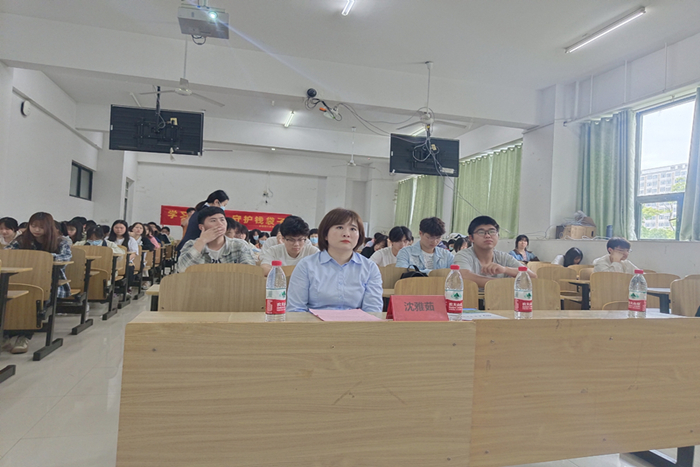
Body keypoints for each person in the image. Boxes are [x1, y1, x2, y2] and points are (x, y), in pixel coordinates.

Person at [287, 208, 383, 313]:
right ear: (325, 234)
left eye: (353, 229)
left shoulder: (370, 268)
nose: (346, 234)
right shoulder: (306, 265)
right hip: (315, 322)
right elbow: (296, 309)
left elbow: (373, 310)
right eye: (340, 227)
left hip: (356, 323)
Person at [5, 212, 72, 354]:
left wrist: (41, 258)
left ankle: (24, 337)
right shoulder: (22, 239)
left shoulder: (60, 242)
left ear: (49, 227)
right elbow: (7, 254)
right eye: (33, 226)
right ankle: (6, 334)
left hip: (47, 281)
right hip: (21, 279)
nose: (36, 230)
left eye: (41, 227)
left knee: (33, 302)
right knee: (8, 300)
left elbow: (65, 258)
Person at [454, 216, 536, 289]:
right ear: (471, 238)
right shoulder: (463, 255)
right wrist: (502, 283)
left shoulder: (504, 257)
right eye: (481, 232)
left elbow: (532, 277)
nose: (487, 235)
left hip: (500, 299)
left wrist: (505, 269)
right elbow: (464, 276)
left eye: (492, 231)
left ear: (498, 236)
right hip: (471, 299)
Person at [176, 207, 255, 272]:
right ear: (201, 227)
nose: (220, 224)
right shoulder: (191, 245)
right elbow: (182, 270)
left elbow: (250, 272)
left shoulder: (239, 245)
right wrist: (202, 241)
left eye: (222, 219)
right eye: (213, 220)